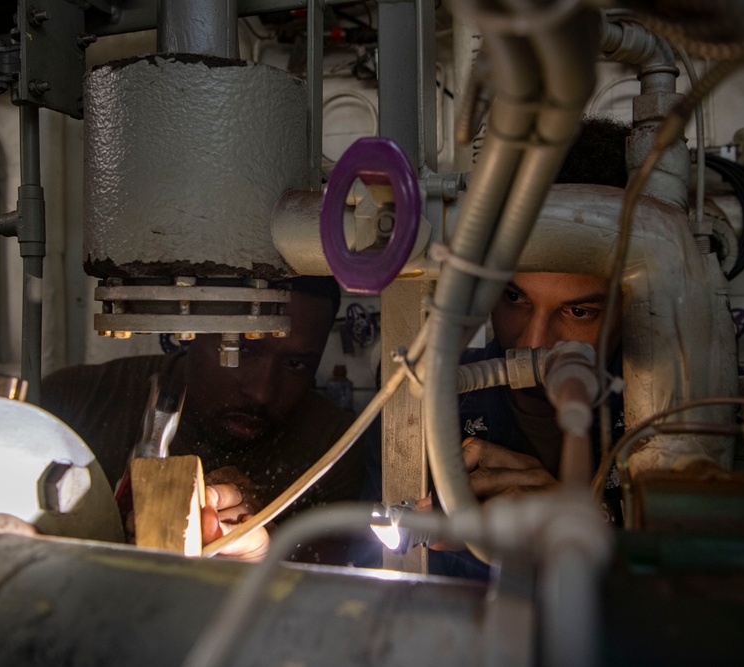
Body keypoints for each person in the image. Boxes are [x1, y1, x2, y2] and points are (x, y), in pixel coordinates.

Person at [354, 116, 631, 577]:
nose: (533, 341)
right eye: (514, 297)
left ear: (635, 303)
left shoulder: (675, 422)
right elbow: (365, 585)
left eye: (579, 311)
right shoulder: (416, 404)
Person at [42, 276, 364, 563]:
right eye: (240, 349)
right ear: (191, 330)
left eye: (296, 364)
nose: (262, 392)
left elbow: (323, 595)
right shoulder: (74, 404)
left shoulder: (331, 448)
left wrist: (268, 551)